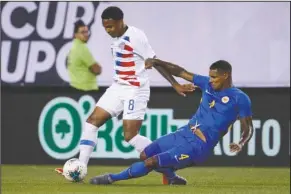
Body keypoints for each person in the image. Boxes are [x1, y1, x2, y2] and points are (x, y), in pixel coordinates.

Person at [56, 6, 194, 184]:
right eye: (105, 27)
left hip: (135, 90)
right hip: (118, 87)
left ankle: (168, 172)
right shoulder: (116, 38)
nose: (108, 30)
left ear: (121, 22)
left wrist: (175, 84)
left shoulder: (136, 37)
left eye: (111, 26)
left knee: (130, 136)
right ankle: (80, 169)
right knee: (91, 123)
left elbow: (155, 62)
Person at [89, 59, 254, 185]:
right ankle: (171, 177)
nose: (210, 80)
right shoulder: (207, 84)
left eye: (214, 77)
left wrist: (240, 142)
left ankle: (111, 178)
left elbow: (248, 128)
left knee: (151, 162)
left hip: (199, 146)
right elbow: (181, 72)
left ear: (226, 75)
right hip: (184, 133)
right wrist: (157, 62)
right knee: (146, 153)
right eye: (210, 76)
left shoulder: (240, 98)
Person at [67, 20, 102, 91]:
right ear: (75, 35)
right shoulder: (82, 48)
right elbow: (97, 70)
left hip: (76, 88)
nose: (86, 34)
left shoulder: (74, 47)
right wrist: (98, 67)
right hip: (86, 90)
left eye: (86, 32)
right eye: (83, 32)